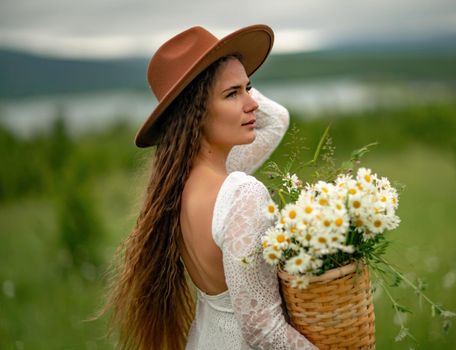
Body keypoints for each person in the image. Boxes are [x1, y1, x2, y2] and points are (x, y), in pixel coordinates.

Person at [103, 25, 318, 349]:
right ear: (196, 112)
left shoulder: (178, 187)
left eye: (249, 88)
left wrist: (221, 62)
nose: (252, 104)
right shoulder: (240, 193)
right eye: (232, 94)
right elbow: (263, 330)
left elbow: (275, 119)